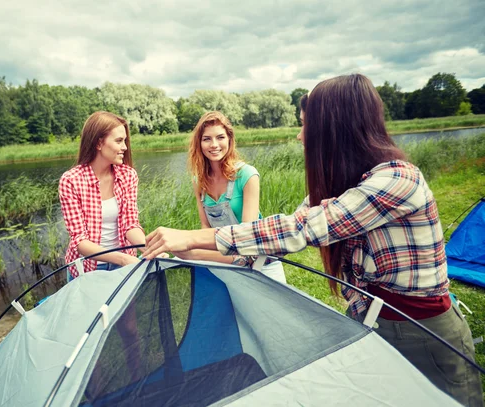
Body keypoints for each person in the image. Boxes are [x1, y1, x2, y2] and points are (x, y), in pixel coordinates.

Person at [143, 74, 483, 406]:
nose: (299, 135)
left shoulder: (396, 181)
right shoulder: (342, 186)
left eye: (306, 125)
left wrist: (189, 239)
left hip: (424, 332)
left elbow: (298, 229)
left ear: (335, 130)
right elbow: (282, 230)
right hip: (372, 321)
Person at [59, 111, 143, 383]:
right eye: (119, 141)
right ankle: (93, 391)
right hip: (87, 268)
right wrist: (121, 259)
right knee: (89, 332)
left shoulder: (128, 175)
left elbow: (131, 223)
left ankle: (139, 381)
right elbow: (80, 241)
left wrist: (148, 245)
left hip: (123, 264)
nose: (125, 147)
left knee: (129, 328)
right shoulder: (71, 180)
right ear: (98, 142)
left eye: (125, 141)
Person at [173, 111, 286, 283]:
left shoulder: (247, 175)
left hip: (260, 264)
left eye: (220, 137)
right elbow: (205, 226)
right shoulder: (199, 180)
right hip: (224, 262)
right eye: (207, 139)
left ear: (229, 140)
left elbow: (246, 235)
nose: (214, 144)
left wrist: (194, 253)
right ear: (199, 143)